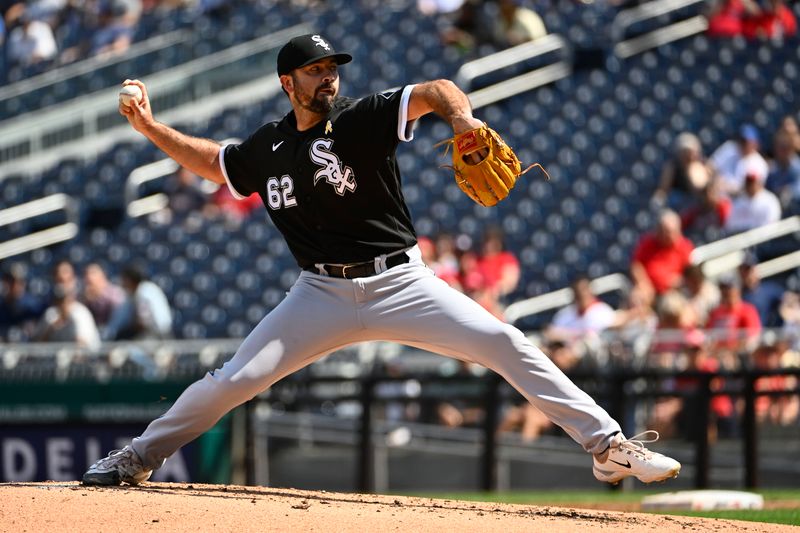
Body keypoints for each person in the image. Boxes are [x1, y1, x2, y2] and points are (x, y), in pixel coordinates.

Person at [83, 33, 680, 487]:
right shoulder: (268, 145)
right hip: (318, 294)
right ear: (287, 82)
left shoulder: (362, 121)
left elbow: (435, 91)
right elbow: (215, 162)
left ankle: (609, 446)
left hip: (401, 282)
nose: (329, 79)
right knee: (234, 381)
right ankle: (138, 458)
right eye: (315, 71)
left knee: (506, 344)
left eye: (332, 70)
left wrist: (463, 118)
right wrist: (150, 127)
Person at [630, 209, 695, 305]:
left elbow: (690, 273)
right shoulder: (648, 243)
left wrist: (679, 281)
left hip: (674, 292)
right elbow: (636, 265)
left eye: (671, 231)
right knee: (637, 298)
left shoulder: (684, 246)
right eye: (665, 231)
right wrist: (642, 282)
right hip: (650, 291)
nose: (668, 235)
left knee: (672, 305)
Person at [103, 263, 173, 341]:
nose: (122, 283)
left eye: (124, 279)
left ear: (129, 280)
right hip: (158, 333)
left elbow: (143, 322)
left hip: (159, 335)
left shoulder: (144, 291)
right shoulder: (143, 289)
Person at [653, 132, 712, 211]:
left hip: (699, 208)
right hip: (678, 208)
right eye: (685, 152)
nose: (688, 156)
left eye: (690, 152)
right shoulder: (672, 167)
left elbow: (698, 187)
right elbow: (663, 189)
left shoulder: (702, 166)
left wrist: (691, 169)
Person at [35, 284, 101, 351]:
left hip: (90, 356)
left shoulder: (80, 313)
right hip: (60, 357)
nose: (61, 303)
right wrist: (51, 329)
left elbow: (82, 344)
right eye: (58, 300)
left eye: (64, 300)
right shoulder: (51, 313)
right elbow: (38, 345)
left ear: (71, 298)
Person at [709, 124, 769, 197]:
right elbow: (710, 166)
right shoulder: (729, 148)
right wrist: (715, 180)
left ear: (755, 144)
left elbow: (752, 189)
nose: (742, 144)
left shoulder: (760, 164)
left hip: (741, 201)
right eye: (741, 140)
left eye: (745, 141)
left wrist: (727, 187)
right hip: (718, 195)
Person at [724, 168, 781, 234]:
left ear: (760, 183)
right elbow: (730, 225)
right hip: (743, 239)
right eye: (748, 183)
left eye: (753, 183)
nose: (750, 186)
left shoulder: (769, 200)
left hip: (765, 239)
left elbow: (772, 224)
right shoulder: (738, 202)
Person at [0, 262, 46, 342]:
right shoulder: (2, 307)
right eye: (12, 282)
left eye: (20, 282)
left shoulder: (34, 306)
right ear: (5, 282)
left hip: (30, 350)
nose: (16, 285)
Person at [81, 262, 126, 328]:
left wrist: (99, 295)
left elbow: (120, 312)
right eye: (86, 274)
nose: (89, 277)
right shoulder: (84, 294)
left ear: (103, 275)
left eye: (93, 273)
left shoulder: (114, 292)